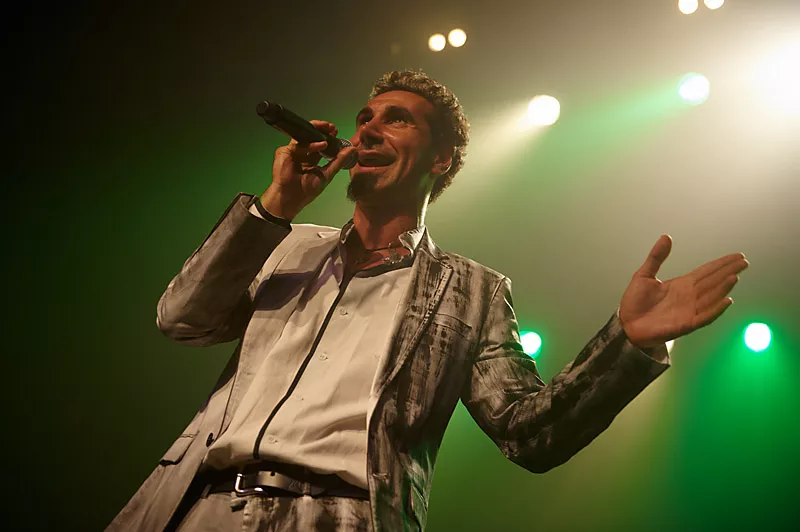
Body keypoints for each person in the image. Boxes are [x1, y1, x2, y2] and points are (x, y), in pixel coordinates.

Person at [107, 70, 748, 531]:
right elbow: (182, 319)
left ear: (441, 159)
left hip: (344, 516)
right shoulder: (286, 242)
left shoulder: (471, 291)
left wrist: (628, 343)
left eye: (396, 119)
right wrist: (275, 206)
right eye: (364, 118)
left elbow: (531, 435)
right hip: (201, 507)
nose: (368, 128)